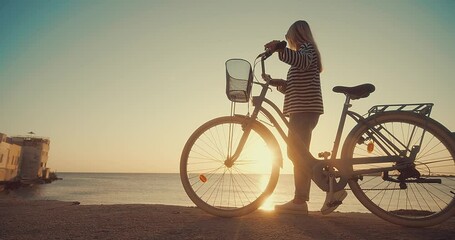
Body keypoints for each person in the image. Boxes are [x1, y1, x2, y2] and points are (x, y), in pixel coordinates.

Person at [262, 20, 347, 215]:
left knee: (296, 154)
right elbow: (295, 86)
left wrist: (279, 49)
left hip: (304, 110)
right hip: (301, 109)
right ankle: (301, 200)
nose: (287, 40)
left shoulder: (307, 50)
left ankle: (321, 192)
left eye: (288, 37)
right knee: (299, 154)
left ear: (296, 35)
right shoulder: (302, 54)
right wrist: (276, 82)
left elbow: (301, 61)